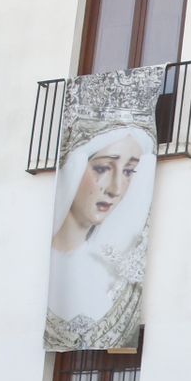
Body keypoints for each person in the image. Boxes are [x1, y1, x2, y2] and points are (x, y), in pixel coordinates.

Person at [45, 116, 157, 350]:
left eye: (128, 171)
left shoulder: (110, 269)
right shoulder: (47, 264)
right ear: (75, 166)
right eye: (103, 168)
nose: (116, 189)